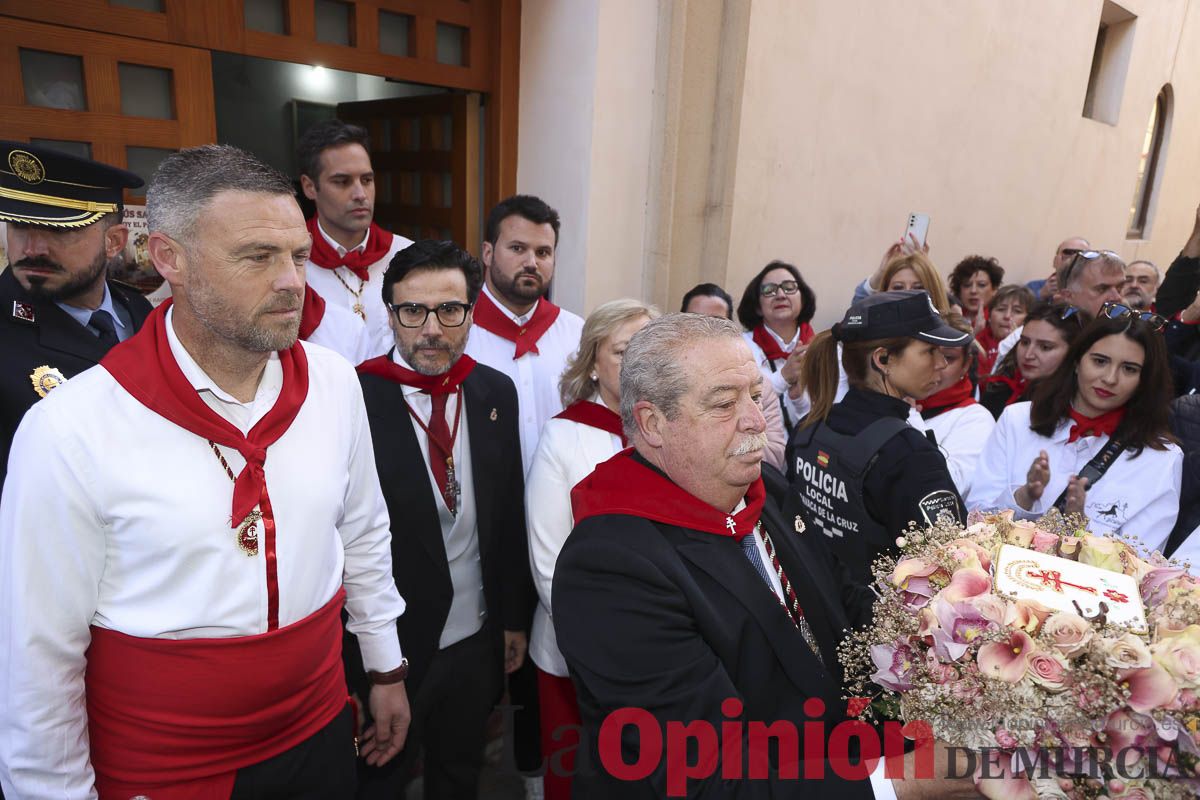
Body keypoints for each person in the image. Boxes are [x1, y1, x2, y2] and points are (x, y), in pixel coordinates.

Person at [0, 145, 410, 798]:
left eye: (298, 256)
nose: (291, 282)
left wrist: (386, 666)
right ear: (170, 259)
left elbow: (362, 532)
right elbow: (39, 661)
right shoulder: (70, 428)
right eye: (257, 256)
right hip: (168, 767)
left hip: (322, 729)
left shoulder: (333, 382)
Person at [552, 313, 976, 799]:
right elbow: (712, 780)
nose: (756, 419)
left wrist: (948, 638)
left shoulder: (760, 486)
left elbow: (838, 594)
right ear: (653, 423)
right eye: (723, 404)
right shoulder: (610, 569)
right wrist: (912, 780)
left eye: (754, 394)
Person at [351, 239, 534, 799]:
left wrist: (511, 618)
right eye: (413, 311)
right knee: (376, 784)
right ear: (391, 316)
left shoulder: (492, 391)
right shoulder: (354, 396)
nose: (432, 328)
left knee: (460, 777)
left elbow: (507, 512)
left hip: (476, 641)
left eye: (450, 310)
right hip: (392, 650)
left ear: (471, 314)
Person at [525, 298, 658, 800]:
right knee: (576, 777)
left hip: (661, 648)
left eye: (649, 350)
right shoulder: (563, 436)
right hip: (575, 651)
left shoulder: (674, 432)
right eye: (624, 351)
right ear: (593, 361)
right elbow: (547, 560)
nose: (638, 364)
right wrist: (607, 646)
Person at [787, 291, 969, 588]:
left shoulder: (811, 427)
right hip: (873, 624)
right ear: (883, 358)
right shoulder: (909, 456)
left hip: (815, 603)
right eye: (929, 351)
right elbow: (952, 563)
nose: (942, 363)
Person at [0, 141, 152, 495]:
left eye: (59, 230)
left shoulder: (140, 313)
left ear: (114, 242)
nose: (32, 248)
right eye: (20, 226)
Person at [969, 309, 1181, 546]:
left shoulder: (1163, 458)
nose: (1110, 378)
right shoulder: (1018, 419)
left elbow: (1145, 563)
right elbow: (975, 518)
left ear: (1146, 380)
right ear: (1077, 361)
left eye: (1129, 369)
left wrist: (1081, 530)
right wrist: (1023, 498)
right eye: (1100, 361)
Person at [465, 194, 584, 474]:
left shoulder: (577, 333)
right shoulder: (457, 332)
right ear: (487, 253)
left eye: (543, 252)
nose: (531, 262)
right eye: (517, 248)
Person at [298, 120, 412, 359]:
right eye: (342, 182)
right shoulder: (292, 263)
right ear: (310, 187)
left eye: (367, 180)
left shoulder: (407, 256)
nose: (360, 194)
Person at [993, 248, 1125, 369]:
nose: (1116, 297)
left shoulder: (1132, 339)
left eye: (1120, 288)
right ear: (1067, 296)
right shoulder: (1022, 341)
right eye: (1102, 289)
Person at [917, 312, 994, 497]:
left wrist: (911, 415)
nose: (937, 365)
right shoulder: (895, 401)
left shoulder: (977, 419)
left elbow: (946, 488)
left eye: (948, 358)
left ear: (966, 364)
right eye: (928, 353)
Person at [736, 260, 817, 433]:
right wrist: (783, 377)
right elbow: (739, 405)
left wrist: (799, 400)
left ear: (802, 299)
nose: (780, 294)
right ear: (758, 306)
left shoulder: (825, 350)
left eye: (789, 287)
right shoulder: (739, 346)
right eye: (769, 290)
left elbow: (831, 414)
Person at [979, 302, 1089, 418]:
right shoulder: (997, 391)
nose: (1028, 355)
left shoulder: (1080, 407)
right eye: (1025, 342)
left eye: (1045, 347)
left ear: (1074, 352)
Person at [974, 284, 1033, 376]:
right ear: (989, 317)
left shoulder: (1033, 348)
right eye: (1001, 309)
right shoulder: (976, 343)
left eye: (1017, 311)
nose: (1007, 316)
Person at [947, 255, 1003, 332]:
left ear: (994, 289)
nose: (973, 291)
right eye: (967, 285)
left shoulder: (999, 321)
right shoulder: (948, 316)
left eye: (981, 285)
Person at [1026, 236, 1089, 301]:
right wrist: (1041, 294)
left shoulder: (1094, 293)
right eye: (1067, 253)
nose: (1072, 260)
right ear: (1055, 261)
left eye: (1080, 256)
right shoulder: (1034, 287)